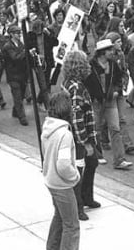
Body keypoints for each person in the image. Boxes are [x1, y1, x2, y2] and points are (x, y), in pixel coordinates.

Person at [62, 50, 100, 221]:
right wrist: (85, 142)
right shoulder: (77, 88)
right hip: (79, 137)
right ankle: (78, 206)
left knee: (92, 162)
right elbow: (77, 117)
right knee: (78, 170)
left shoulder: (72, 83)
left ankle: (87, 197)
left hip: (84, 134)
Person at [84, 39, 133, 170]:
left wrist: (117, 90)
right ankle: (97, 155)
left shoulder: (113, 65)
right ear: (102, 52)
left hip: (110, 100)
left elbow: (118, 79)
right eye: (109, 50)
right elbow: (86, 83)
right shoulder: (91, 65)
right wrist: (92, 97)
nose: (112, 52)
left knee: (115, 128)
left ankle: (119, 160)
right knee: (96, 129)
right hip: (96, 102)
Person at [42, 91, 81, 250]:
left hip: (51, 180)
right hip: (62, 185)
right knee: (72, 225)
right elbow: (64, 164)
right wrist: (75, 176)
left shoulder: (48, 128)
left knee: (59, 218)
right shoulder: (64, 134)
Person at [2, 25, 29, 126]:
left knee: (21, 94)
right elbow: (15, 58)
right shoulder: (8, 46)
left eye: (19, 33)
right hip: (13, 75)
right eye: (17, 33)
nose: (19, 35)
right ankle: (22, 117)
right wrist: (25, 52)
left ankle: (15, 111)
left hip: (22, 74)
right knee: (17, 95)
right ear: (12, 34)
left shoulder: (20, 44)